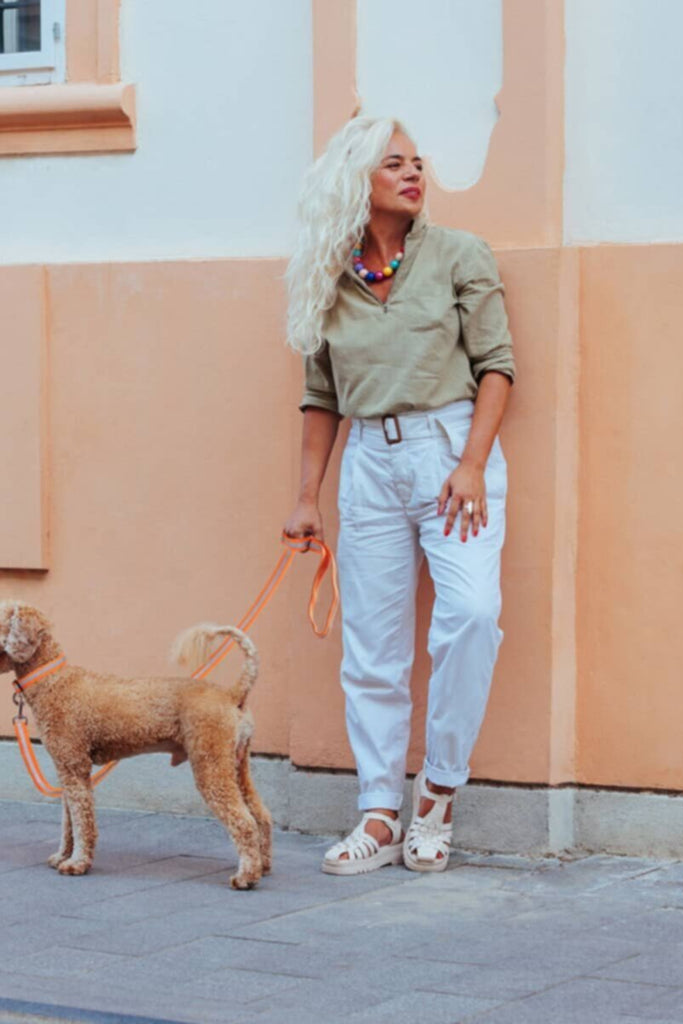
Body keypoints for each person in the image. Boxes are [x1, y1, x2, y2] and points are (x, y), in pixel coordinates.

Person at [283, 116, 514, 874]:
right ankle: (380, 813)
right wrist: (308, 498)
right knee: (373, 649)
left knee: (472, 615)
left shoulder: (458, 255)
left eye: (417, 163)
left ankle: (438, 791)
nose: (414, 174)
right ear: (357, 180)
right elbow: (322, 396)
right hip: (370, 468)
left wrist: (472, 464)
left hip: (452, 453)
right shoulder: (330, 277)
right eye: (394, 164)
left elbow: (498, 366)